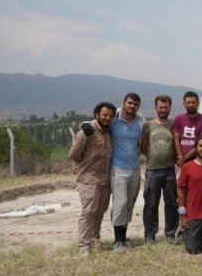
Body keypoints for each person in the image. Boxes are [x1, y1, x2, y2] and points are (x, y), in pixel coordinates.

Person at [69, 101, 115, 255]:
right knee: (88, 212)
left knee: (100, 212)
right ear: (97, 115)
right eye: (105, 115)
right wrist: (83, 167)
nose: (108, 118)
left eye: (110, 115)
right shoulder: (86, 133)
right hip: (88, 180)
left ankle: (95, 240)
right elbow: (73, 154)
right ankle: (84, 246)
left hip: (105, 180)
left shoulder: (109, 133)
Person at [109, 92, 146, 252]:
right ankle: (117, 240)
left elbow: (143, 145)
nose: (132, 106)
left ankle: (123, 237)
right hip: (117, 169)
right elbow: (96, 124)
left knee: (129, 204)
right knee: (120, 203)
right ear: (123, 103)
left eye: (135, 104)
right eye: (129, 103)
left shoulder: (140, 123)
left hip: (135, 168)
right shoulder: (113, 121)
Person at [140, 95, 178, 244]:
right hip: (152, 170)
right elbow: (143, 146)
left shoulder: (174, 124)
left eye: (166, 107)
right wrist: (152, 156)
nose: (163, 109)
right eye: (160, 107)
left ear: (170, 107)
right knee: (151, 203)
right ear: (156, 107)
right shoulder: (148, 125)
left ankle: (170, 233)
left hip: (170, 169)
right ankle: (150, 234)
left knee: (171, 203)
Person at [172, 91, 202, 169]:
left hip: (199, 161)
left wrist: (185, 158)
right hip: (180, 162)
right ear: (184, 103)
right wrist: (180, 157)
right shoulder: (178, 118)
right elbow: (176, 140)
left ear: (198, 103)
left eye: (193, 102)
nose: (191, 105)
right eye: (188, 102)